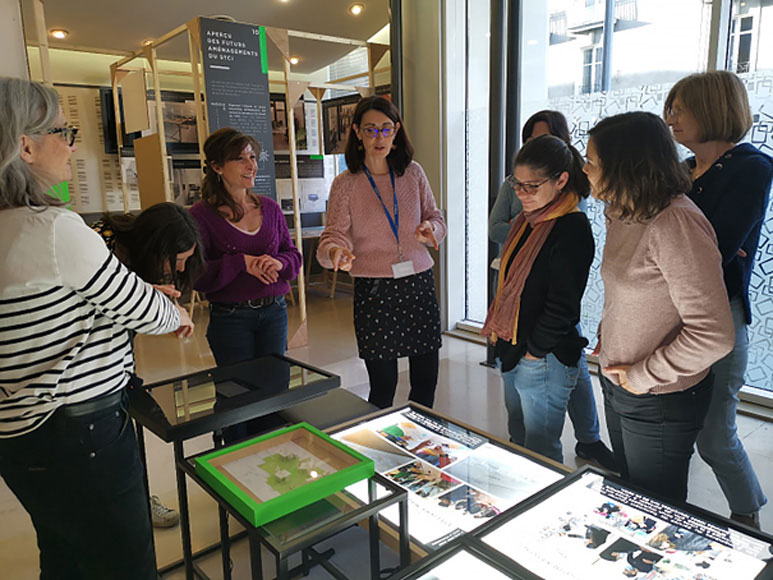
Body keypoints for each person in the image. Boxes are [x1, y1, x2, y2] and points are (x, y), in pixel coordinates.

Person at [0, 78, 193, 579]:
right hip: (80, 431)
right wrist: (172, 310)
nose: (71, 144)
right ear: (24, 145)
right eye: (63, 131)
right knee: (122, 561)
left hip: (19, 434)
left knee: (64, 554)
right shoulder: (52, 230)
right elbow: (148, 313)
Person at [584, 111, 734, 503]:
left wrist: (643, 375)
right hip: (621, 383)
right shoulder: (623, 212)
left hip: (659, 396)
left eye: (592, 162)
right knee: (631, 494)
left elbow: (714, 335)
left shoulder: (676, 223)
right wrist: (609, 336)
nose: (584, 169)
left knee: (657, 508)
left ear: (624, 167)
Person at [664, 70, 772, 528]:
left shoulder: (752, 166)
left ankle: (747, 518)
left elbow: (717, 246)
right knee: (671, 430)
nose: (669, 118)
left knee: (714, 436)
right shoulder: (683, 171)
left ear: (711, 109)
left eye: (679, 109)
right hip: (669, 310)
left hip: (718, 315)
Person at [489, 110, 616, 470]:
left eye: (532, 186)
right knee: (519, 438)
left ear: (561, 180)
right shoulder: (528, 220)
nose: (522, 194)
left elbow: (563, 305)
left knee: (542, 450)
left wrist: (533, 353)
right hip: (515, 346)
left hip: (541, 356)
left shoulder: (571, 227)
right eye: (518, 185)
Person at [317, 96, 446, 409]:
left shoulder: (413, 173)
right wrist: (335, 252)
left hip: (418, 282)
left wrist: (431, 229)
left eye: (386, 129)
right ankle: (382, 450)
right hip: (375, 290)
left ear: (396, 131)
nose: (379, 138)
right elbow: (332, 236)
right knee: (383, 387)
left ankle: (422, 442)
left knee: (425, 382)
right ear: (357, 132)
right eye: (371, 130)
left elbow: (436, 217)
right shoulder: (346, 184)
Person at [91, 201, 204, 528]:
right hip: (90, 379)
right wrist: (156, 306)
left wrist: (148, 296)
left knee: (126, 437)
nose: (180, 270)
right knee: (109, 451)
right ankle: (125, 509)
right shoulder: (102, 247)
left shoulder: (130, 250)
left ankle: (137, 498)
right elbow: (103, 306)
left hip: (115, 368)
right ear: (158, 246)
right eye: (178, 260)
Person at [190, 128, 302, 368]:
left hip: (275, 311)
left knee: (276, 387)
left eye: (252, 157)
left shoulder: (270, 208)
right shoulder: (201, 215)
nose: (251, 165)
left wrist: (278, 263)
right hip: (231, 318)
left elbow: (293, 255)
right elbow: (195, 274)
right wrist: (241, 263)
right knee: (240, 393)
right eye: (239, 158)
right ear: (216, 167)